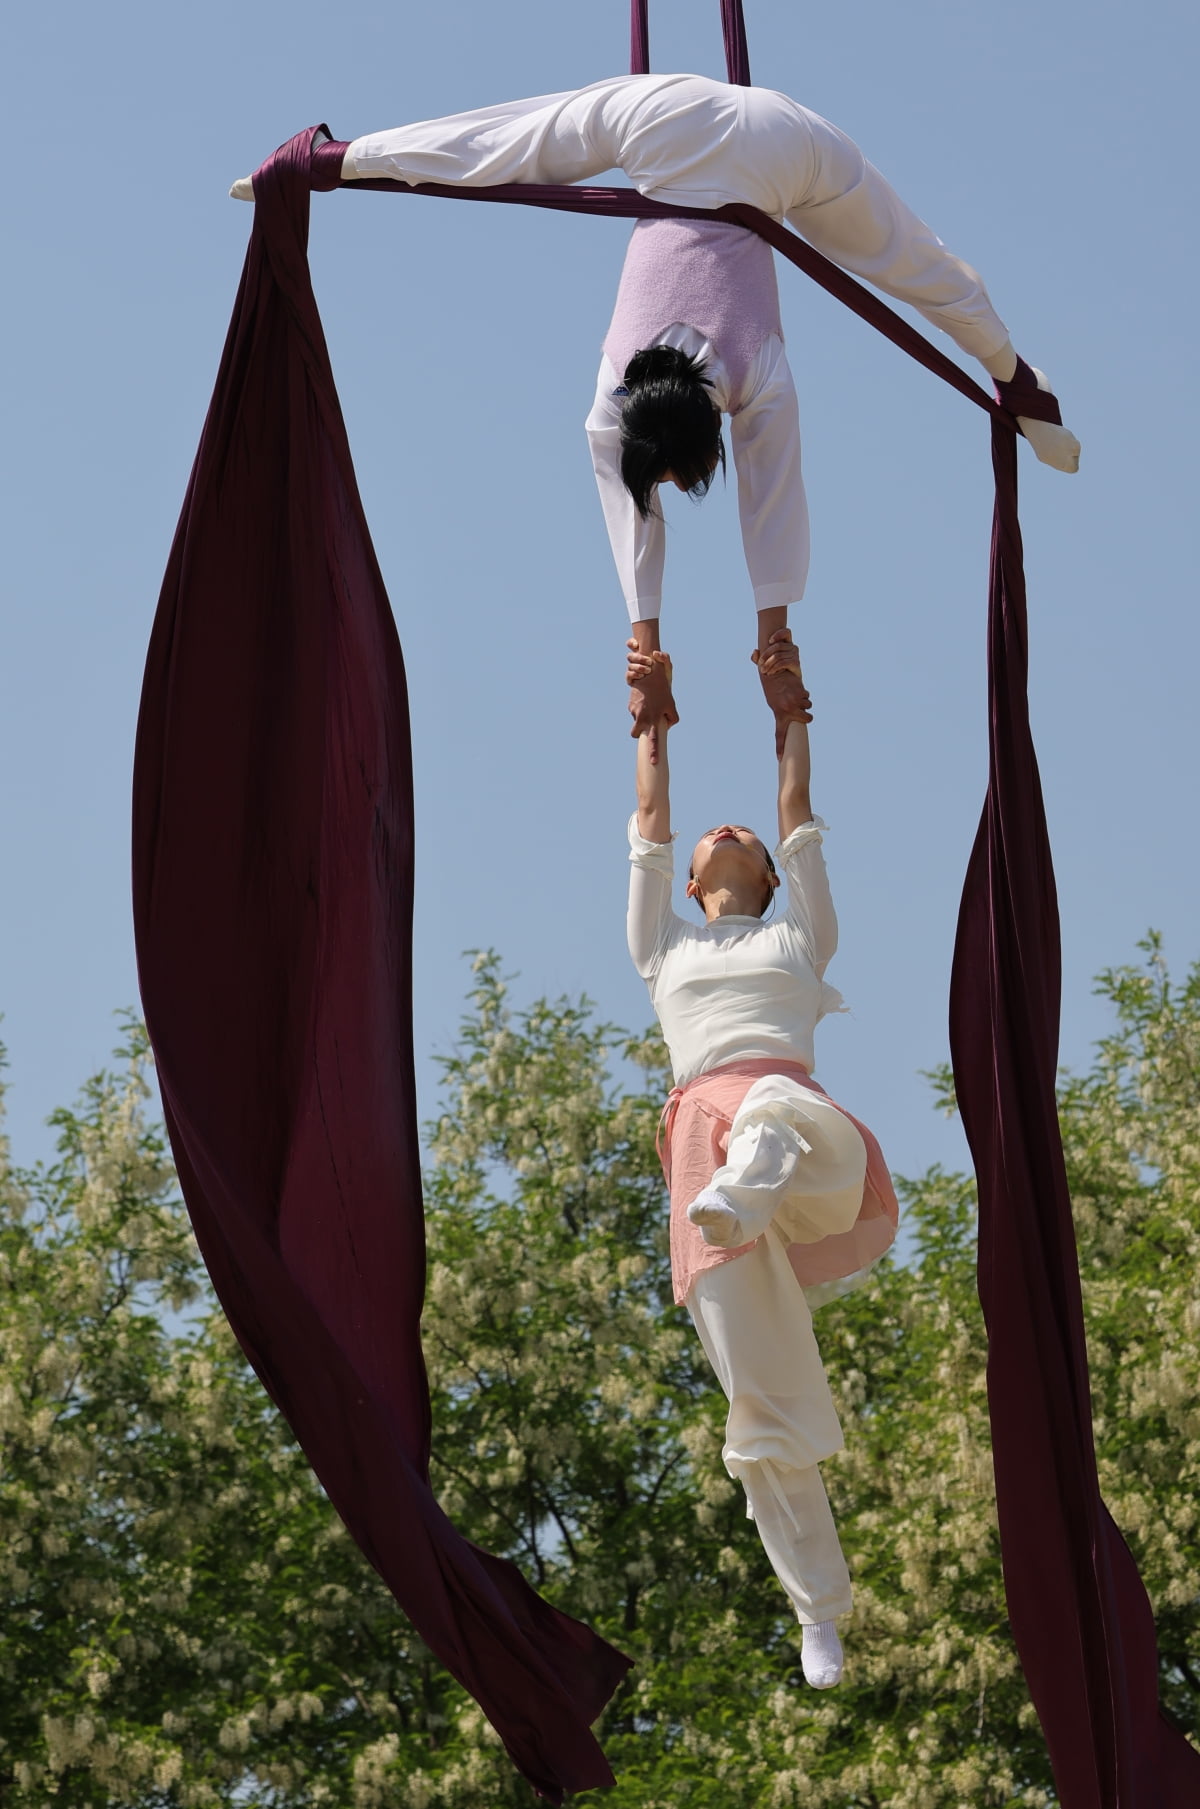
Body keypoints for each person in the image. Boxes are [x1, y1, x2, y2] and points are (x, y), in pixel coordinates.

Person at [233, 74, 1081, 734]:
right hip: (744, 136)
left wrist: (683, 648)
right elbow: (768, 507)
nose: (668, 493)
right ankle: (1020, 383)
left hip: (704, 129)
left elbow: (760, 505)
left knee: (501, 144)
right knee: (921, 269)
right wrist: (752, 650)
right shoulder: (642, 390)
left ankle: (323, 158)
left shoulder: (746, 379)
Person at [625, 626, 897, 1687]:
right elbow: (649, 819)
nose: (725, 828)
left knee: (773, 1104)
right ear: (693, 881)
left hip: (801, 1146)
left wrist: (792, 715)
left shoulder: (800, 942)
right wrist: (653, 724)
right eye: (708, 836)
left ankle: (749, 1179)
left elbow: (797, 812)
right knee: (765, 1411)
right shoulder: (664, 949)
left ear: (773, 881)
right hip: (707, 1172)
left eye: (746, 835)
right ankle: (817, 1608)